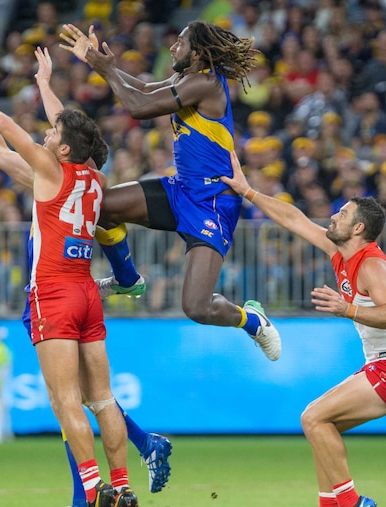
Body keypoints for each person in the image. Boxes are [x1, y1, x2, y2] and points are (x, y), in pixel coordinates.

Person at [0, 53, 171, 507]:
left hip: (53, 291)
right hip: (87, 293)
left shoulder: (49, 171)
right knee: (102, 398)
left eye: (54, 135)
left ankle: (93, 494)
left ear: (64, 147)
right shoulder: (94, 178)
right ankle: (121, 486)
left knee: (65, 402)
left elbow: (10, 132)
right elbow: (11, 148)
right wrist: (35, 86)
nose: (48, 135)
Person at [220, 152, 386, 507]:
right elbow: (295, 219)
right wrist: (247, 191)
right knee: (321, 427)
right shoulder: (341, 252)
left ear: (359, 228)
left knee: (313, 418)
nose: (333, 216)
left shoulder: (371, 265)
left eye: (343, 213)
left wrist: (346, 308)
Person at [59, 21, 281, 361]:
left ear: (197, 53)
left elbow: (139, 108)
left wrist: (107, 71)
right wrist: (98, 63)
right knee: (100, 208)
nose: (173, 48)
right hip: (181, 190)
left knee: (196, 307)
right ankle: (127, 278)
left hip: (213, 204)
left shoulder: (206, 84)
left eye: (180, 42)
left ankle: (251, 320)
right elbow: (144, 90)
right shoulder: (185, 79)